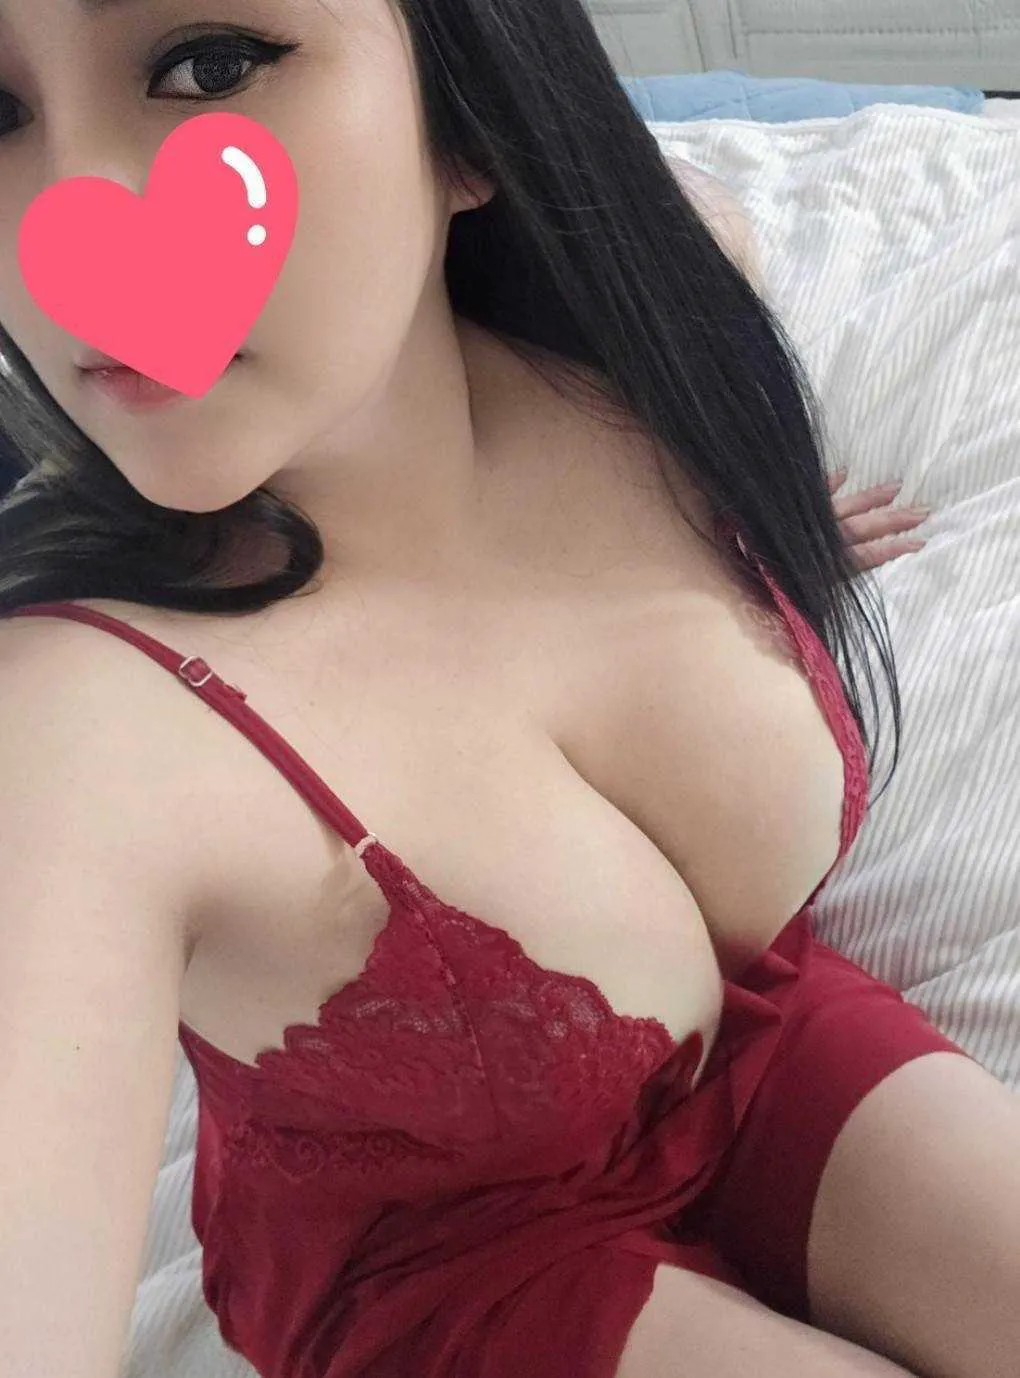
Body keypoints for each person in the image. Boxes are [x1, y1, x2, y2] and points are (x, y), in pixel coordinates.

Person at [0, 3, 1015, 1378]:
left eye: (209, 64)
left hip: (762, 1041)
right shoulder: (71, 732)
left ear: (467, 117)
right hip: (440, 1259)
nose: (64, 229)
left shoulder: (647, 358)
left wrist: (768, 528)